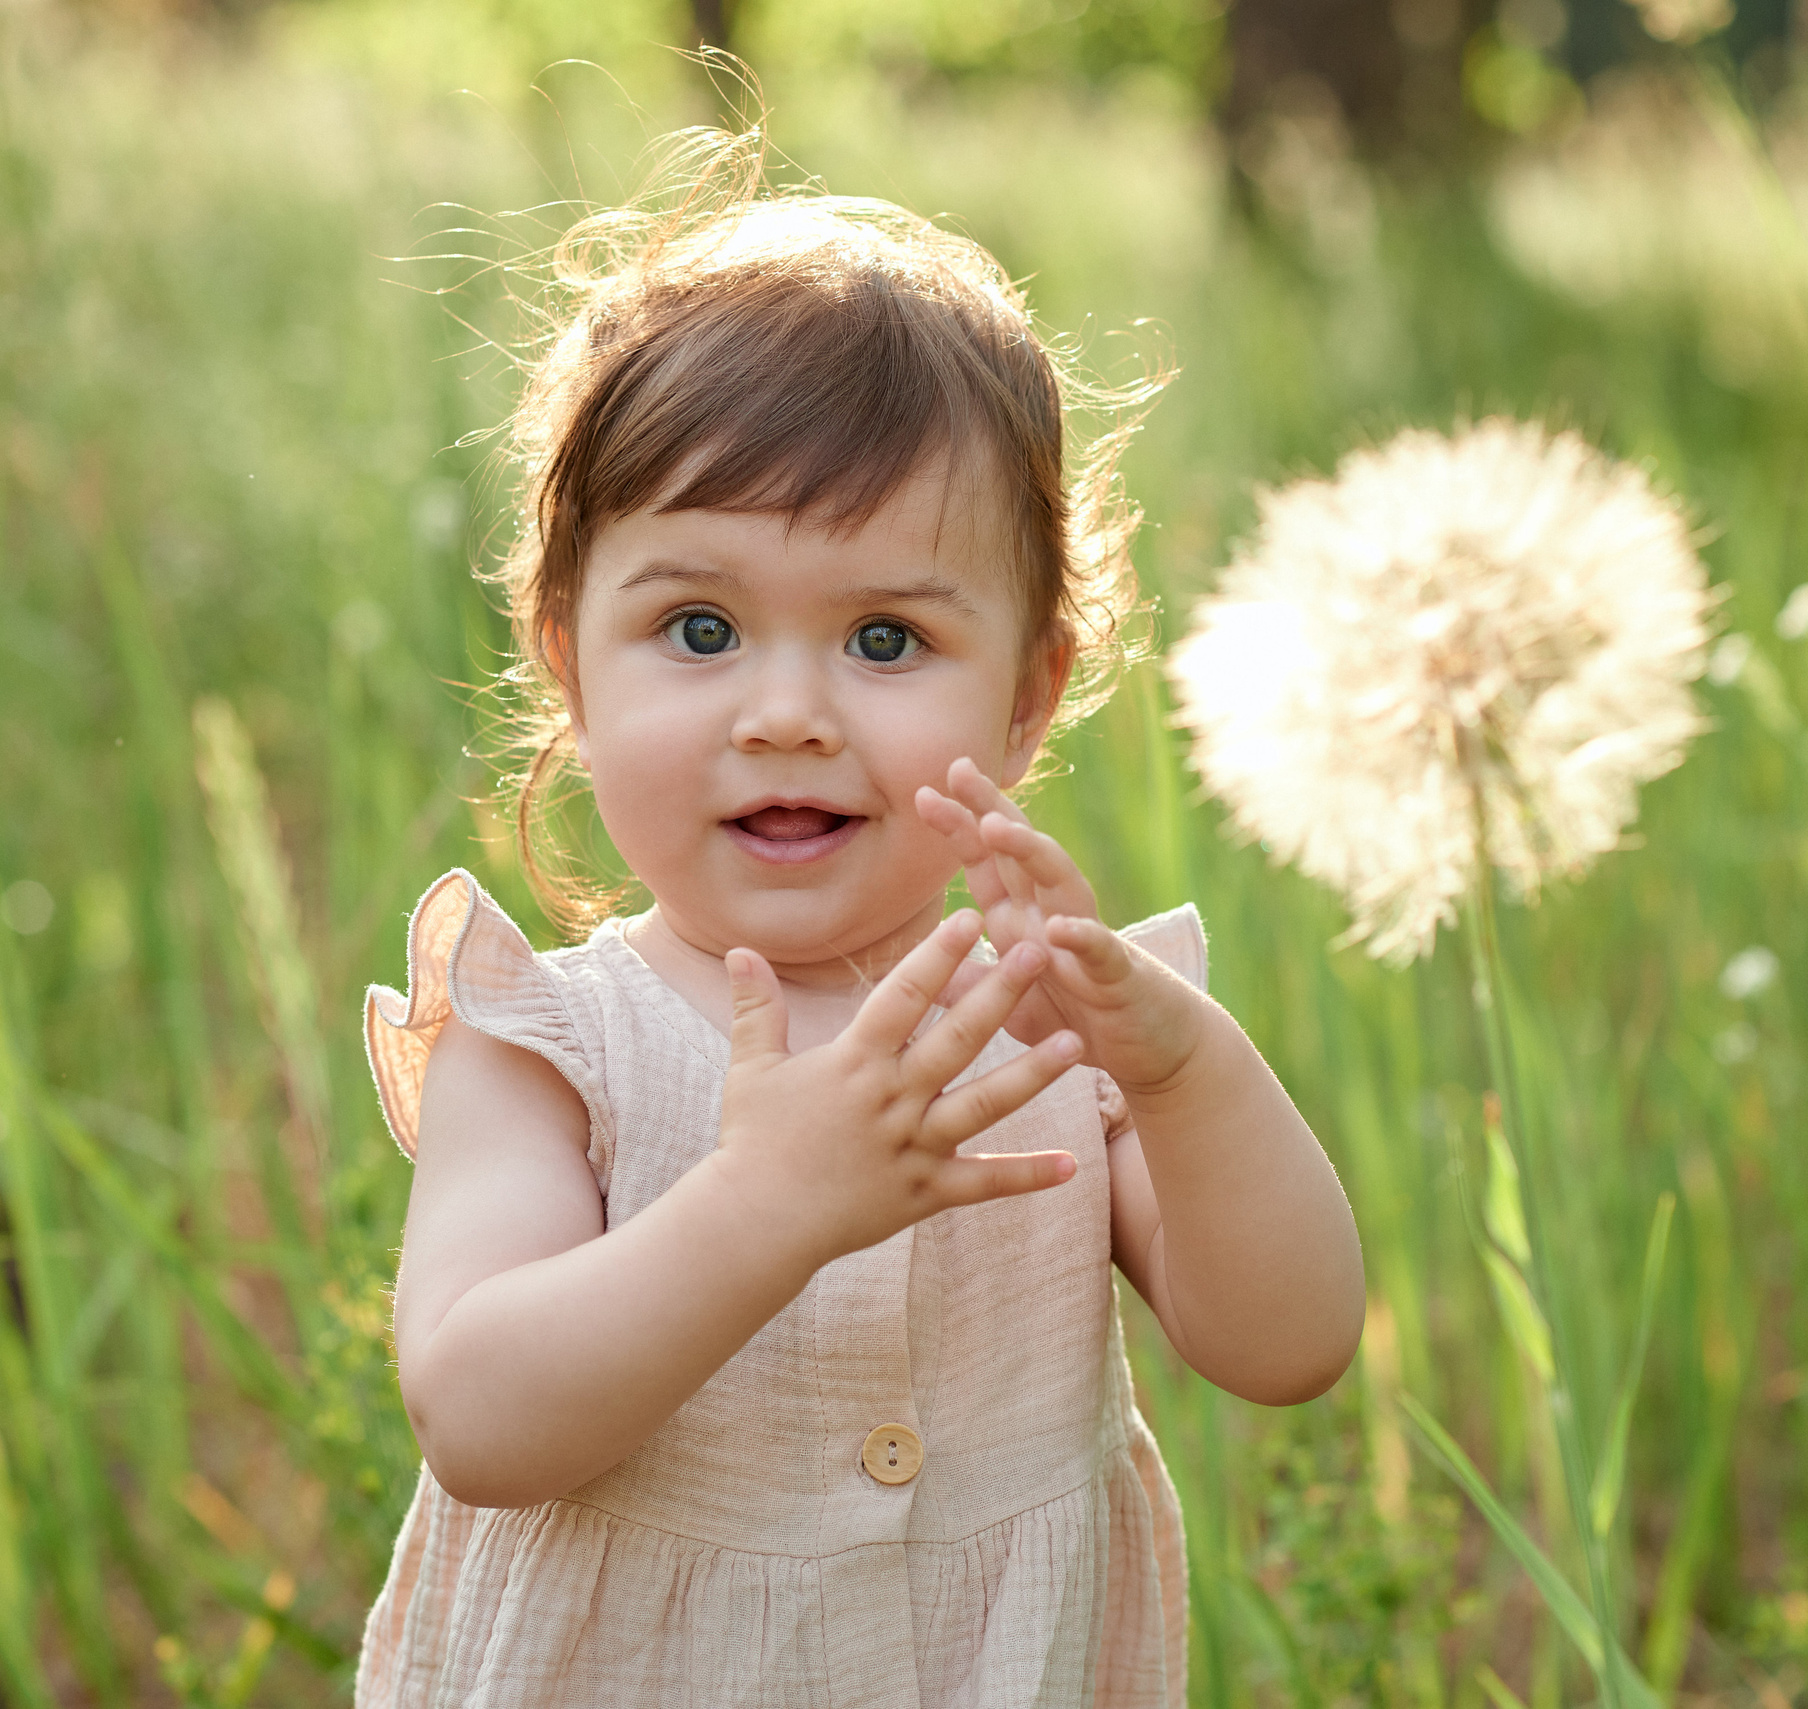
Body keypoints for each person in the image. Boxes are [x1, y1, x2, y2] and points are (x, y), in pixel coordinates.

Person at [356, 130, 1365, 1709]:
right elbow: (481, 1416)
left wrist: (1181, 1073)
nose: (786, 712)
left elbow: (1289, 1340)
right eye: (698, 628)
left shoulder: (1048, 1030)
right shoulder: (547, 1040)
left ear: (1027, 699)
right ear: (567, 656)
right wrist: (766, 1202)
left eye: (885, 639)